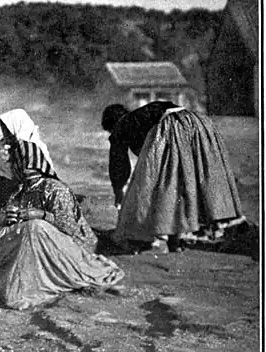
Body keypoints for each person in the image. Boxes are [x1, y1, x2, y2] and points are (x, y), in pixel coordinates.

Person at [0, 139, 125, 310]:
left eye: (15, 163)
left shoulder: (55, 189)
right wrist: (7, 220)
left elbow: (70, 228)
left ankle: (27, 286)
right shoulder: (21, 190)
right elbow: (2, 221)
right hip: (36, 246)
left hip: (72, 248)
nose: (12, 167)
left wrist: (41, 215)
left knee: (35, 227)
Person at [101, 101, 244, 254]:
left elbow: (118, 163)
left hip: (174, 127)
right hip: (199, 124)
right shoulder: (140, 117)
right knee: (187, 183)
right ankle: (181, 238)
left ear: (112, 124)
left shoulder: (123, 124)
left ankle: (160, 237)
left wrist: (118, 190)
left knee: (163, 186)